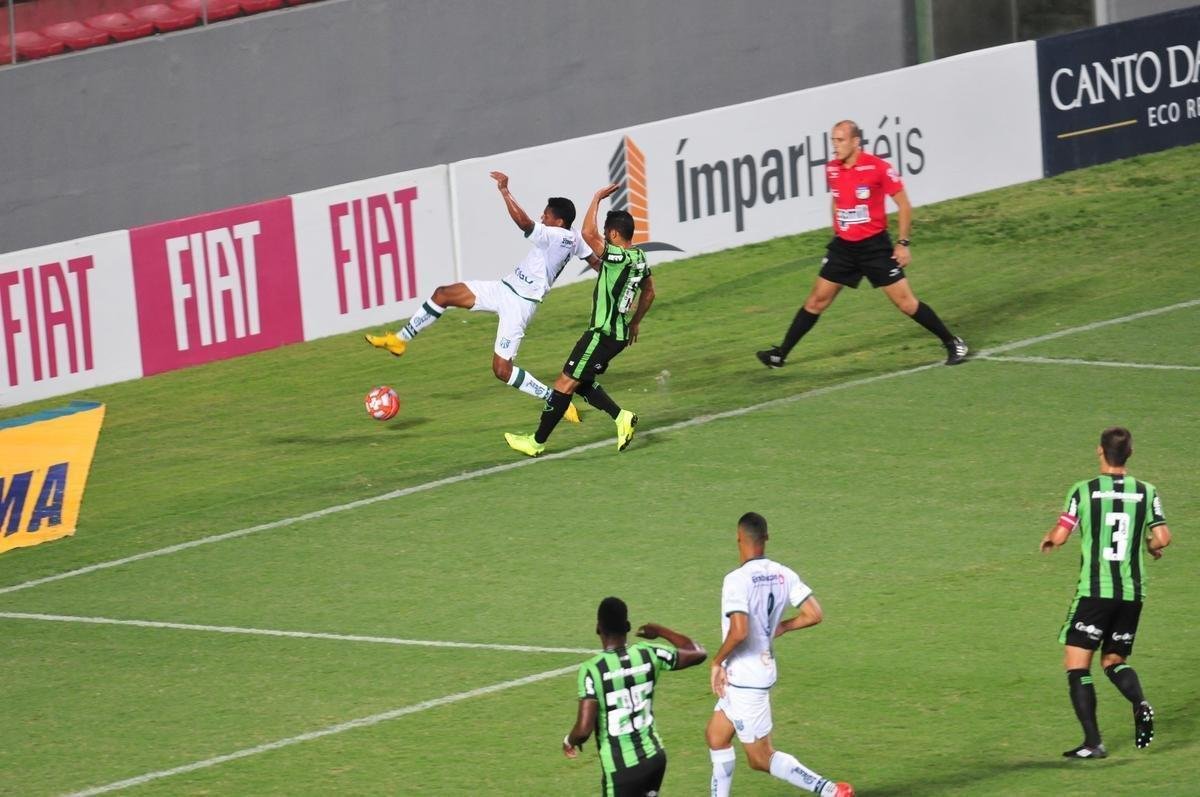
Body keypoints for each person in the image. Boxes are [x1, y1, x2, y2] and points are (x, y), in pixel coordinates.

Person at [365, 171, 596, 422]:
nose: (543, 217)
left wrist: (505, 191)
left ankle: (554, 399)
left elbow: (525, 224)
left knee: (501, 370)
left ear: (559, 221)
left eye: (547, 215)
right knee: (443, 294)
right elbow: (594, 260)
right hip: (504, 288)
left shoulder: (559, 235)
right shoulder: (575, 238)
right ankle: (400, 339)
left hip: (519, 304)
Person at [756, 120, 968, 370]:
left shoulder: (878, 168)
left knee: (906, 303)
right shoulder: (832, 169)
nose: (835, 146)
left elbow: (904, 205)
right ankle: (779, 355)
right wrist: (838, 228)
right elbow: (836, 200)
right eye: (833, 141)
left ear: (856, 141)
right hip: (844, 248)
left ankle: (953, 342)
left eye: (840, 140)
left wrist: (902, 243)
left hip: (874, 248)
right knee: (815, 302)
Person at [1040, 426, 1172, 759]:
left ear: (1100, 451)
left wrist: (1050, 540)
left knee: (1077, 667)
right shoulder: (1147, 491)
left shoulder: (1083, 491)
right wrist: (1150, 545)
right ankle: (1139, 702)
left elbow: (1062, 533)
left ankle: (1093, 742)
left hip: (1095, 592)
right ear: (1130, 453)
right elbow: (1163, 537)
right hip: (1132, 593)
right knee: (1114, 661)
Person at [707, 512, 854, 797]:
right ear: (766, 538)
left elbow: (738, 631)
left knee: (760, 758)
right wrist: (783, 627)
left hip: (745, 681)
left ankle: (830, 791)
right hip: (751, 674)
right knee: (716, 736)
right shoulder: (783, 573)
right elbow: (815, 614)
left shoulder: (736, 580)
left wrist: (716, 661)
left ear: (738, 538)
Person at [505, 183, 655, 456]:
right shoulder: (640, 258)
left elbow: (587, 233)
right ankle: (622, 417)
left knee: (563, 384)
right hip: (618, 334)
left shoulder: (617, 255)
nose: (605, 240)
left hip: (602, 334)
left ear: (613, 233)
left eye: (608, 236)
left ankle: (536, 442)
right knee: (580, 381)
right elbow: (650, 292)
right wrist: (635, 322)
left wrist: (596, 197)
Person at [563, 596, 707, 796]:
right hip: (655, 759)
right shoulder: (648, 653)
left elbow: (583, 730)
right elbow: (698, 652)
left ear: (598, 628)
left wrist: (569, 740)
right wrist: (659, 631)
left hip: (622, 771)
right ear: (628, 626)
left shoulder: (592, 670)